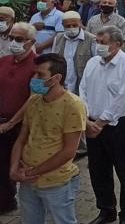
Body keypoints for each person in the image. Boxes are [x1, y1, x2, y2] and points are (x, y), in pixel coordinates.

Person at [10, 53, 86, 224]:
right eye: (34, 74)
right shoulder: (34, 102)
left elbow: (68, 151)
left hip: (56, 182)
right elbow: (22, 138)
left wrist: (30, 172)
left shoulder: (73, 105)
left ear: (56, 78)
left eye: (40, 75)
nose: (34, 79)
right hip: (27, 181)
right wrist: (14, 169)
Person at [79, 26, 125, 224]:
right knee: (98, 171)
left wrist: (100, 122)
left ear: (117, 44)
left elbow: (123, 98)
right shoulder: (92, 63)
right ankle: (106, 210)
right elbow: (83, 89)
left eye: (104, 43)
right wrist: (87, 119)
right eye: (97, 41)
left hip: (120, 126)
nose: (99, 46)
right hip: (92, 125)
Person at [0, 23, 38, 214]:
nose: (14, 42)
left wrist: (12, 122)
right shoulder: (4, 61)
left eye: (19, 39)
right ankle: (5, 201)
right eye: (11, 38)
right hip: (2, 121)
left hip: (22, 125)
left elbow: (33, 99)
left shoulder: (39, 65)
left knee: (19, 164)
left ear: (31, 42)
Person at [52, 11, 96, 94]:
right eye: (68, 26)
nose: (71, 28)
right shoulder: (58, 38)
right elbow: (53, 60)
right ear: (62, 25)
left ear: (80, 23)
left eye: (75, 25)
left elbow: (96, 63)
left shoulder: (91, 40)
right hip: (62, 85)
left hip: (82, 86)